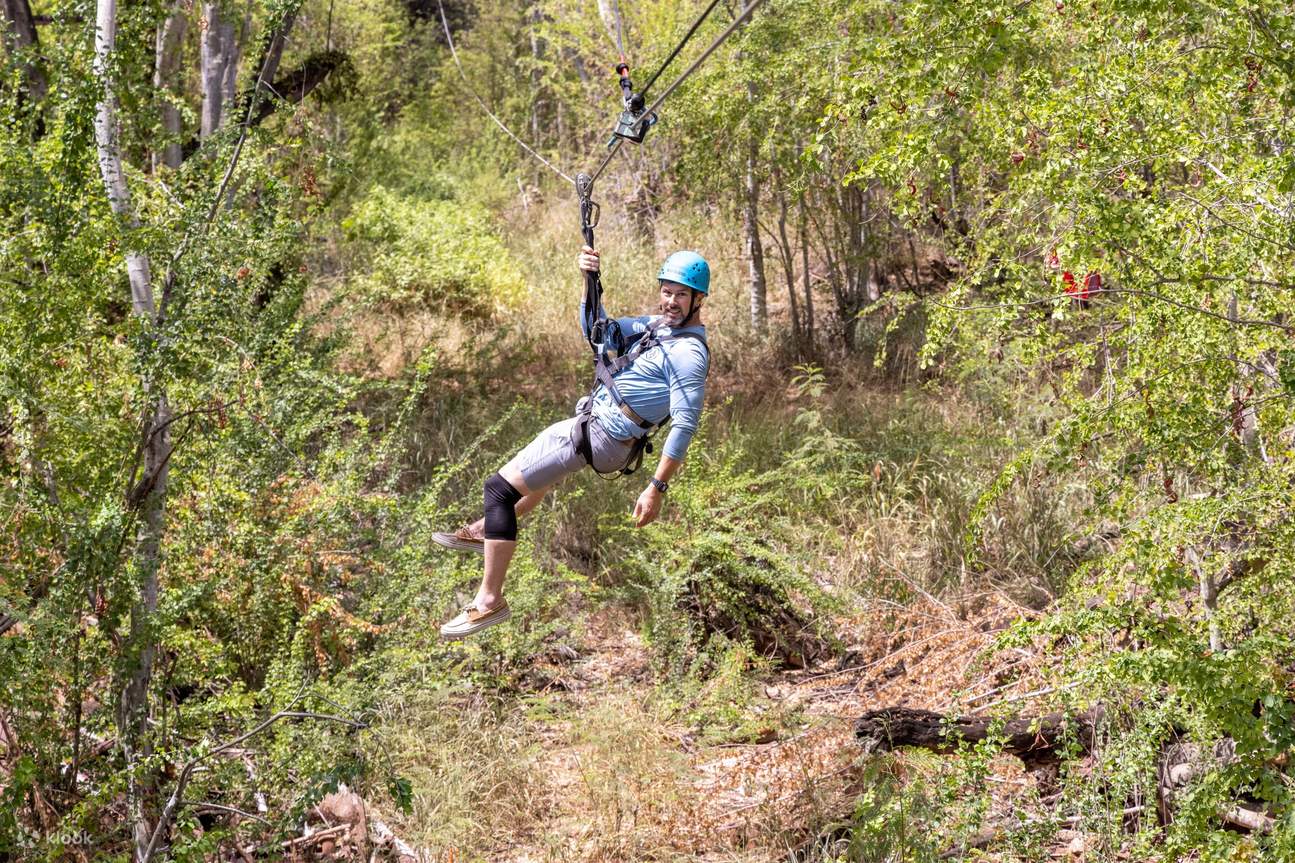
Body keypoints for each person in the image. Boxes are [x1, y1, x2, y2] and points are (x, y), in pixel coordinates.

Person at [433, 245, 712, 640]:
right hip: (597, 428)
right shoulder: (657, 327)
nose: (670, 301)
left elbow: (686, 423)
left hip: (601, 434)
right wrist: (589, 280)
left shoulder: (688, 353)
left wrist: (656, 487)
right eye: (666, 291)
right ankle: (485, 531)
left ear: (698, 299)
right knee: (539, 474)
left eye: (681, 294)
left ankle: (488, 601)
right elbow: (600, 332)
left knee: (498, 490)